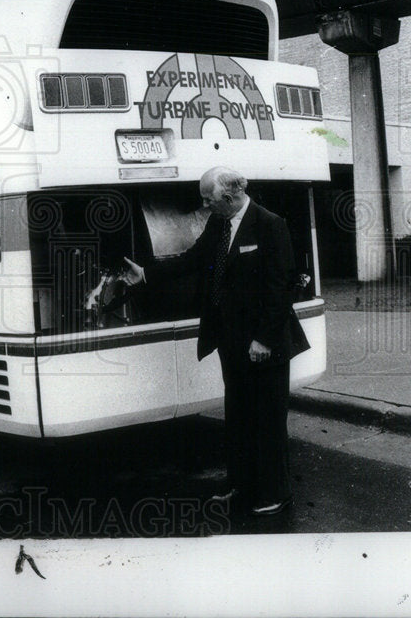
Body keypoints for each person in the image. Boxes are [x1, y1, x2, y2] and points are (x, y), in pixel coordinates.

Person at [122, 166, 308, 516]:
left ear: (231, 195)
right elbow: (192, 259)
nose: (204, 205)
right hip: (231, 341)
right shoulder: (219, 224)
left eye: (209, 199)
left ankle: (276, 493)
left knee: (267, 422)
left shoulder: (270, 224)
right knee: (238, 420)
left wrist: (264, 340)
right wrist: (147, 273)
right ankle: (241, 489)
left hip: (263, 345)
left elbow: (281, 290)